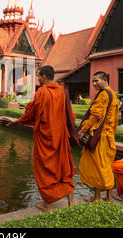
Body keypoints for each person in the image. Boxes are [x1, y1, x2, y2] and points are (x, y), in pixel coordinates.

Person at [7, 65, 78, 212]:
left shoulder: (42, 93)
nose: (38, 78)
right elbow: (71, 116)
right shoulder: (63, 92)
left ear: (44, 76)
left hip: (45, 138)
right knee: (64, 167)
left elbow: (30, 114)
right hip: (61, 138)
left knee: (45, 170)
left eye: (38, 76)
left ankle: (48, 204)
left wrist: (18, 121)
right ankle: (71, 200)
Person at [78, 71, 119, 202]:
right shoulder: (112, 94)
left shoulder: (103, 95)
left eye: (97, 81)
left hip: (100, 136)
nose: (94, 84)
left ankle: (97, 197)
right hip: (108, 136)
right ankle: (108, 196)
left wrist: (83, 130)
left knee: (98, 166)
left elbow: (95, 116)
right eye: (93, 81)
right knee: (106, 165)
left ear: (105, 80)